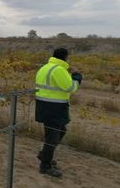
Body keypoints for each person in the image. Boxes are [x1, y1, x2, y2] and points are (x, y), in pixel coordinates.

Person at [35, 48, 82, 178]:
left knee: (60, 132)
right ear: (65, 57)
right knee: (52, 138)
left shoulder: (45, 67)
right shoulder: (58, 70)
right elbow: (71, 87)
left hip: (45, 107)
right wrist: (77, 75)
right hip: (54, 109)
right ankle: (45, 166)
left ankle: (44, 155)